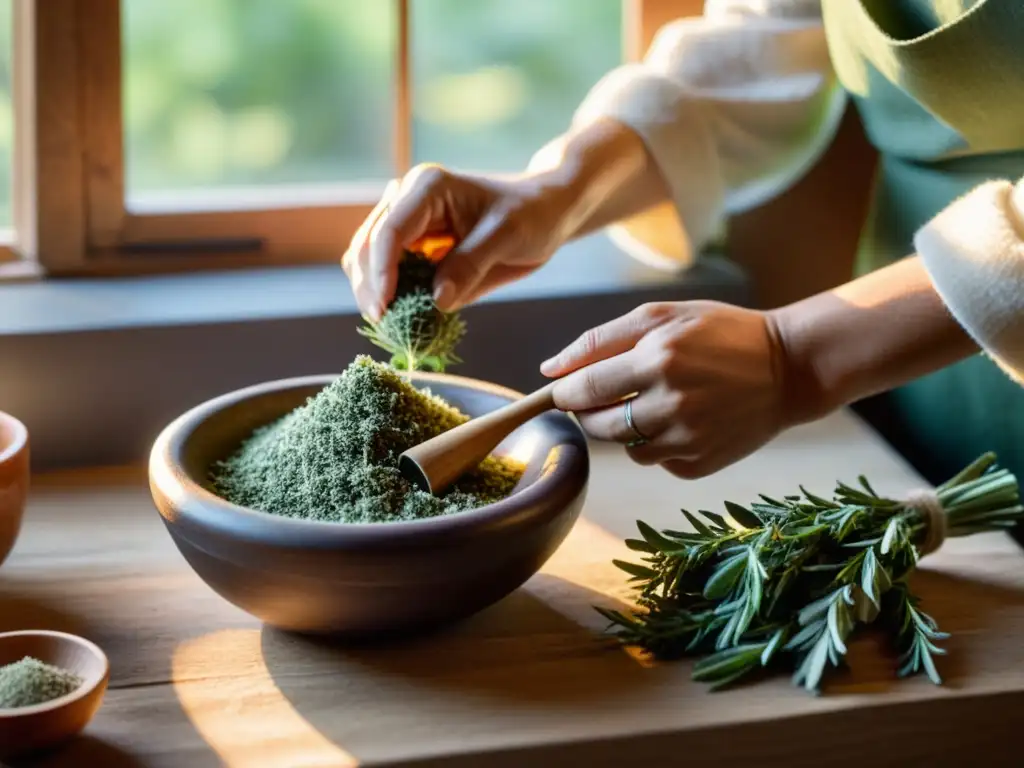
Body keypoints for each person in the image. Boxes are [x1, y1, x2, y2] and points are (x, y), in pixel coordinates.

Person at [341, 0, 1024, 487]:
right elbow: (766, 43)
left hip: (919, 313)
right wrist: (558, 185)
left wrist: (796, 356)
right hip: (912, 366)